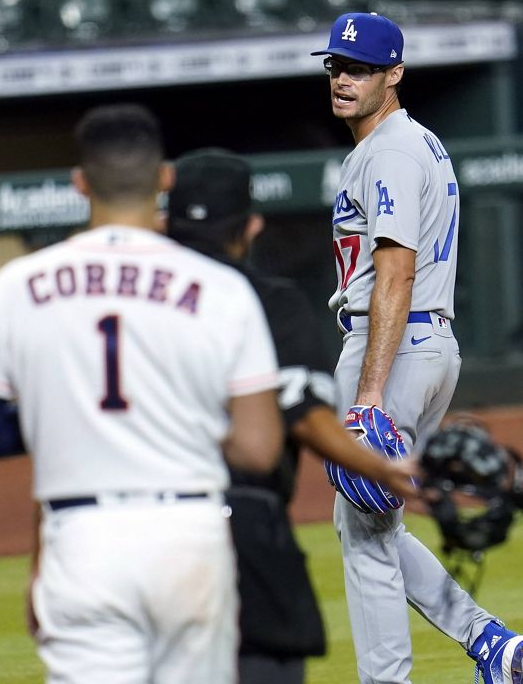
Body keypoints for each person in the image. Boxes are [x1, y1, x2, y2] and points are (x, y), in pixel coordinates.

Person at [0, 103, 283, 684]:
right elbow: (258, 449)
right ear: (165, 179)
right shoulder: (222, 289)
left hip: (82, 540)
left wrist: (64, 419)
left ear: (80, 183)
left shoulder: (18, 285)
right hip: (189, 532)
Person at [311, 12, 523, 684]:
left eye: (360, 69)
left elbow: (396, 269)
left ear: (395, 74)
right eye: (336, 67)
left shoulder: (388, 151)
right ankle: (488, 642)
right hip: (426, 344)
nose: (344, 79)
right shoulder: (414, 143)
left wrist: (371, 393)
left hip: (393, 348)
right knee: (369, 521)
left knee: (365, 536)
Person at [164, 148, 421, 684]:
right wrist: (387, 469)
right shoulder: (268, 301)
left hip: (135, 531)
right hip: (240, 533)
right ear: (251, 225)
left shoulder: (130, 304)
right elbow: (304, 418)